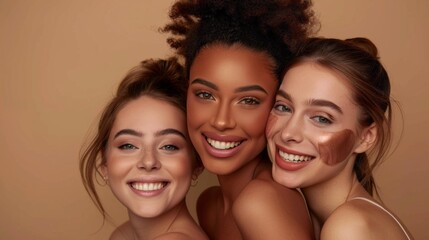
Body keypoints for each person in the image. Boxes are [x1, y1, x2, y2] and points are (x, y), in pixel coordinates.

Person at [162, 1, 317, 239]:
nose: (222, 121)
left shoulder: (262, 203)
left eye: (249, 101)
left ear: (278, 105)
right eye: (205, 95)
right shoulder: (210, 205)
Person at [266, 37, 413, 240]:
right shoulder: (313, 219)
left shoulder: (350, 228)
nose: (288, 133)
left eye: (321, 118)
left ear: (366, 137)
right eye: (283, 107)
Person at [79, 57, 208, 240]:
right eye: (128, 145)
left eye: (169, 146)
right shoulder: (122, 236)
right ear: (104, 163)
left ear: (197, 163)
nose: (148, 162)